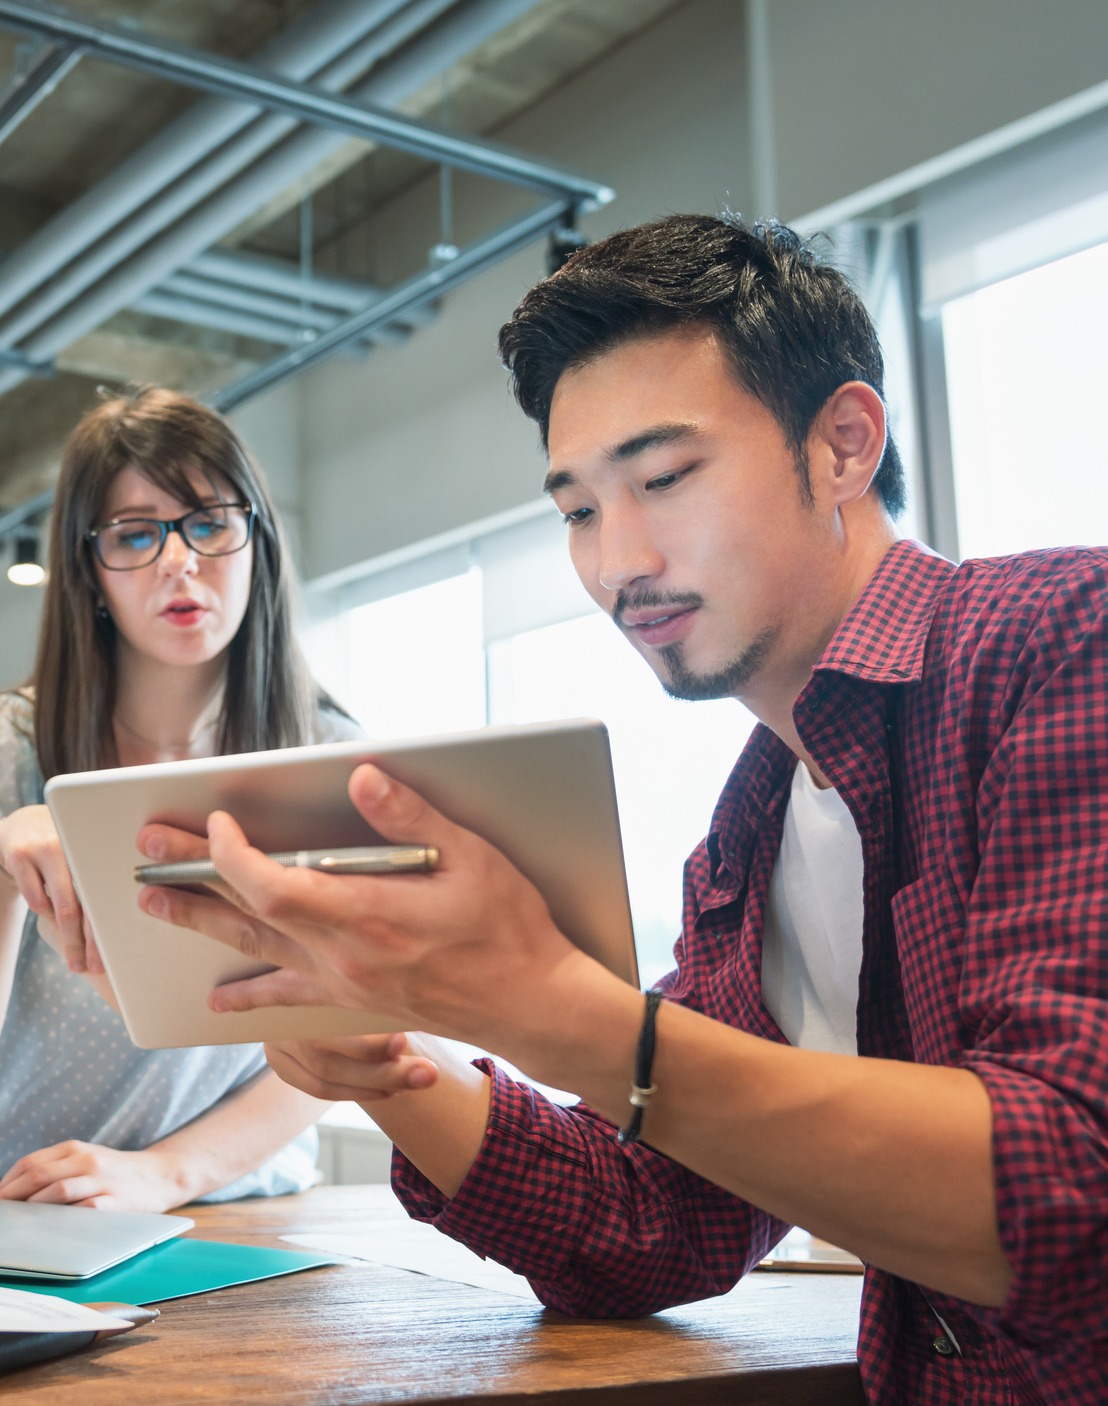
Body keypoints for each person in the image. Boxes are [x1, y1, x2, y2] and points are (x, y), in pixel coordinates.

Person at [134, 217, 1106, 1404]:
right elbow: (661, 1226)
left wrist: (545, 998)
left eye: (663, 477)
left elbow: (1070, 1193)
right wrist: (396, 1062)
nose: (616, 562)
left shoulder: (1064, 639)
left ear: (844, 442)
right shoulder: (748, 832)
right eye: (580, 510)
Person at [0, 386, 361, 1211]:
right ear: (90, 572)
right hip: (28, 1208)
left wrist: (167, 1173)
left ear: (256, 542)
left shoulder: (338, 761)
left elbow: (353, 1032)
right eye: (134, 534)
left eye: (207, 523)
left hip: (235, 1210)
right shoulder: (12, 751)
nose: (177, 561)